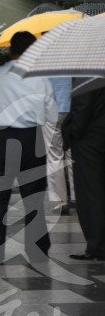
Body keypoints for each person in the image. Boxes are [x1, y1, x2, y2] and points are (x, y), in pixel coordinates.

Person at [0, 31, 57, 266]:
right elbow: (51, 114)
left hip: (2, 140)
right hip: (32, 139)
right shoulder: (42, 78)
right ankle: (38, 251)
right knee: (34, 198)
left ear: (11, 50)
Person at [65, 86, 105, 260]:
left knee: (90, 192)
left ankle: (96, 244)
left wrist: (72, 131)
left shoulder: (88, 73)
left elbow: (83, 106)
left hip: (90, 137)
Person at [43, 78, 74, 215]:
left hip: (51, 110)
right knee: (72, 153)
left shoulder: (44, 63)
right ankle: (77, 195)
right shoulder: (72, 60)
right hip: (72, 109)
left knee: (54, 155)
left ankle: (61, 200)